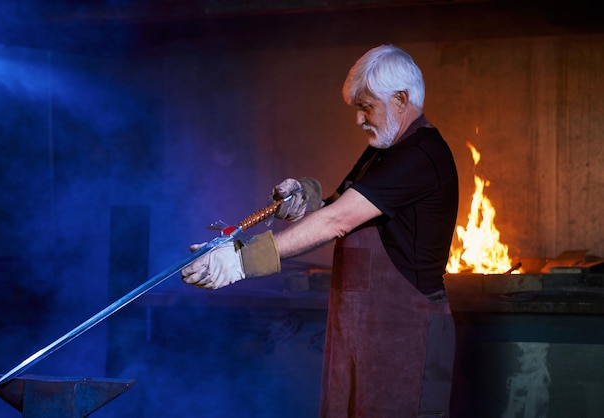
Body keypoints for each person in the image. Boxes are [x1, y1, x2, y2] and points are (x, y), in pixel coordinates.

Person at [181, 44, 459, 418]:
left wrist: (242, 261)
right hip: (360, 333)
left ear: (401, 100)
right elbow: (333, 207)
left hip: (405, 338)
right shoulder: (383, 151)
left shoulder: (421, 154)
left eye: (366, 107)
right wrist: (304, 200)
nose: (360, 120)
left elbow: (338, 221)